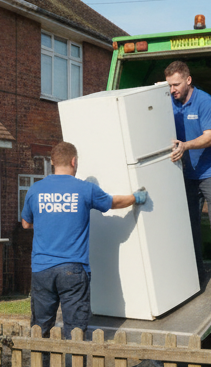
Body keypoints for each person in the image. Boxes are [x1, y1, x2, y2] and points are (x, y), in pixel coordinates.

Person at [21, 141, 146, 337]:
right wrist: (135, 198)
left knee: (40, 328)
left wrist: (50, 218)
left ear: (52, 162)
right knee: (75, 330)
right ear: (74, 161)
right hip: (73, 269)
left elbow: (26, 224)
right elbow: (113, 202)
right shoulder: (85, 189)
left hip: (42, 269)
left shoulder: (35, 190)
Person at [166, 60, 211, 294]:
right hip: (188, 172)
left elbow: (209, 138)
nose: (172, 89)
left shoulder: (205, 102)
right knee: (189, 225)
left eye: (176, 84)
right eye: (169, 86)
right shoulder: (169, 103)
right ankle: (195, 273)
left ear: (188, 80)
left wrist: (185, 146)